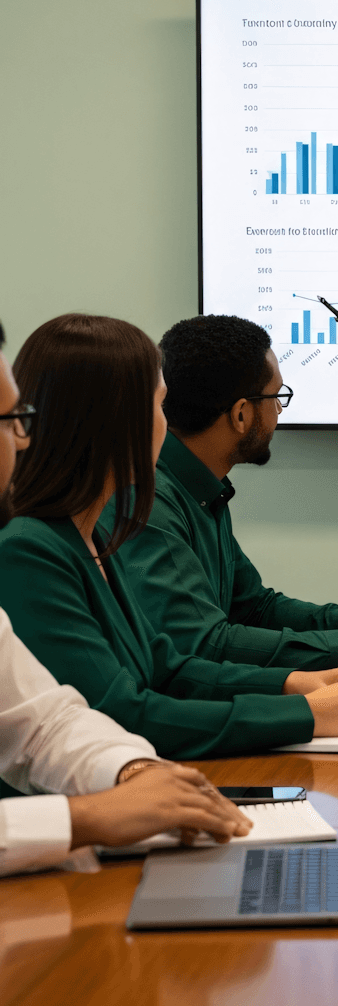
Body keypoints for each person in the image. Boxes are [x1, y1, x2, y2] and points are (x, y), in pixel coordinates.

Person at [0, 314, 338, 760]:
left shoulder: (92, 533)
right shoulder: (29, 549)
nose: (168, 422)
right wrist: (307, 712)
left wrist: (294, 683)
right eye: (159, 405)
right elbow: (121, 713)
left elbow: (166, 668)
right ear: (112, 422)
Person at [0, 320, 250, 875]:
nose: (22, 438)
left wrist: (134, 772)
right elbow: (123, 702)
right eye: (12, 421)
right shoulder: (26, 549)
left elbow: (46, 723)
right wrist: (87, 817)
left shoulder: (93, 536)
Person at [105, 314, 338, 670]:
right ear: (241, 415)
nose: (278, 410)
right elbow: (206, 645)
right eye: (277, 397)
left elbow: (255, 608)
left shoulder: (202, 489)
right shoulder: (148, 502)